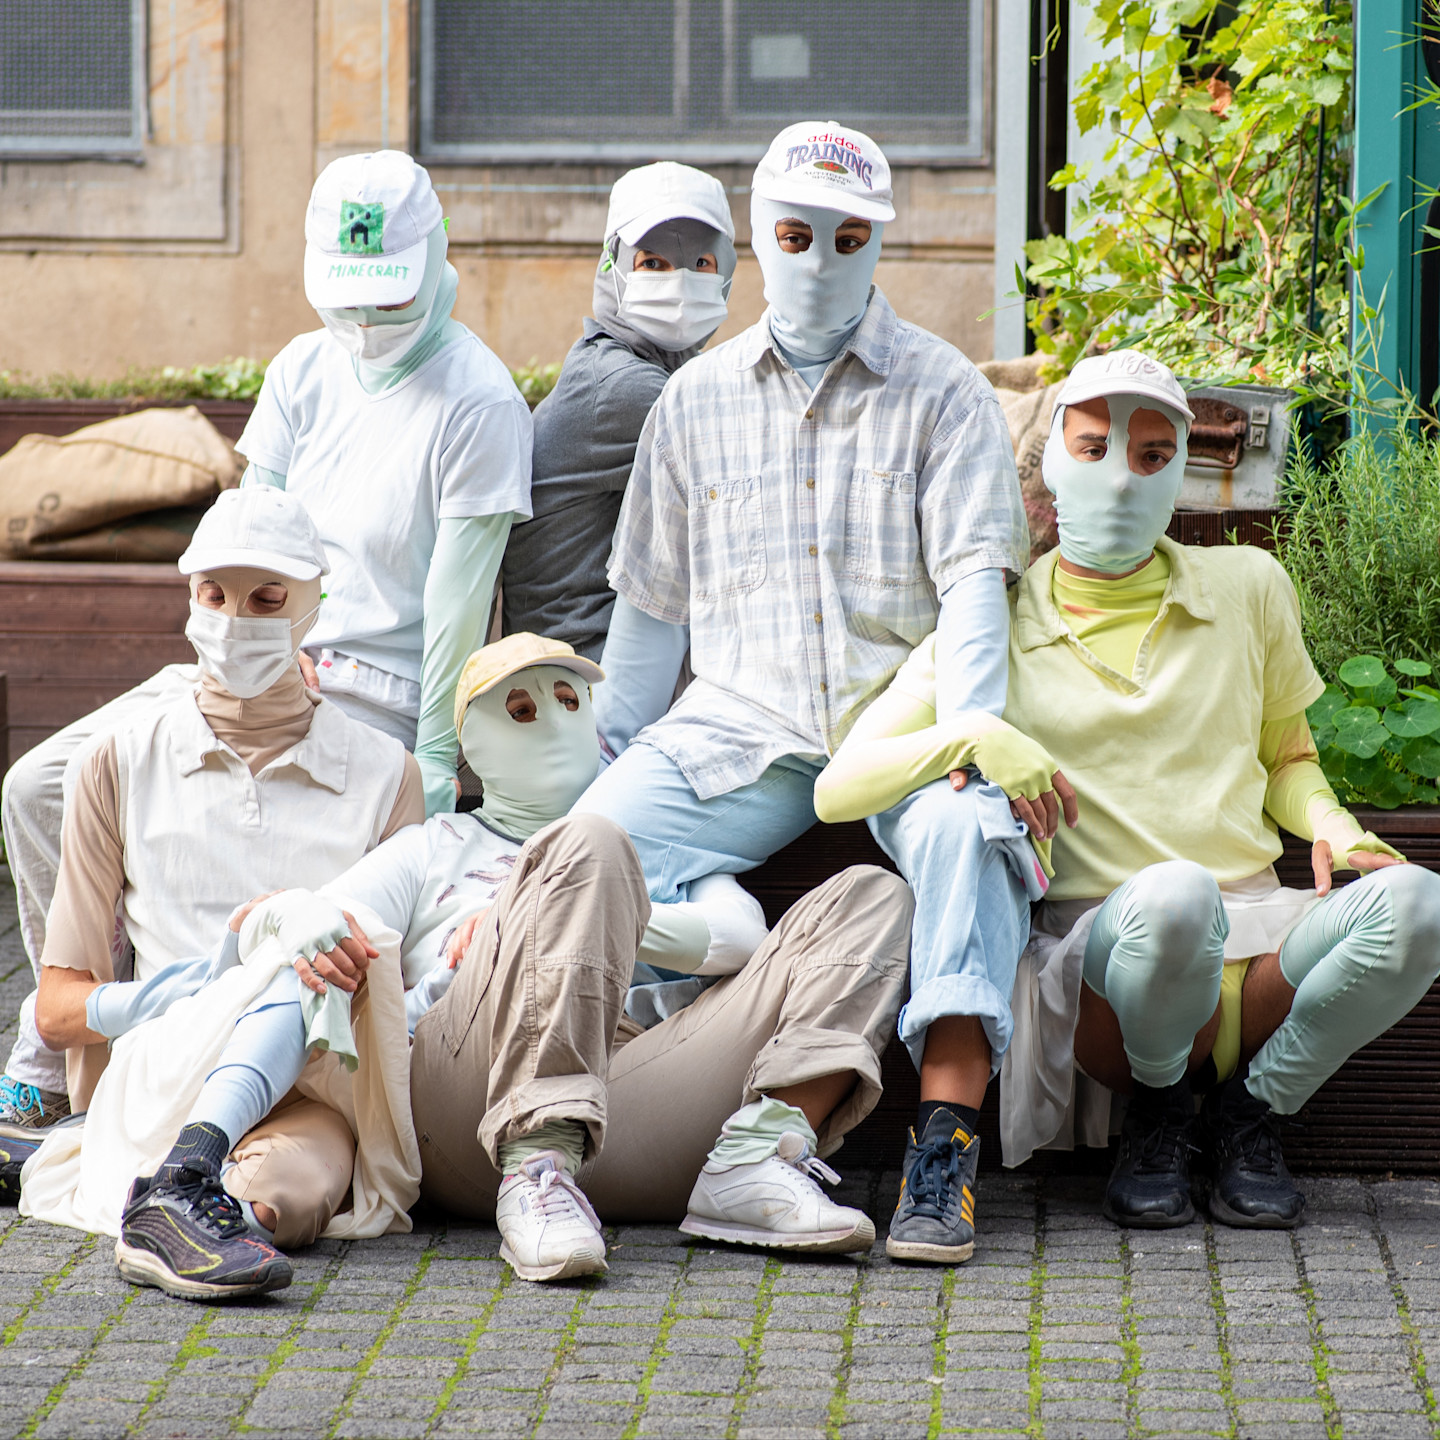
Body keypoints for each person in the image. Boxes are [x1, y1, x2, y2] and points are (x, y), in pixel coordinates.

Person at [816, 349, 1440, 1231]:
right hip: (1115, 967)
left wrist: (1336, 826)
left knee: (1421, 905)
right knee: (1175, 895)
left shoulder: (1249, 586)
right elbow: (838, 791)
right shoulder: (995, 627)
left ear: (1182, 471)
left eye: (1152, 455)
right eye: (1095, 446)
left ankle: (1252, 1112)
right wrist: (973, 732)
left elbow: (1288, 760)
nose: (1120, 476)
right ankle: (1158, 1113)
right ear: (1052, 462)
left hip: (1262, 944)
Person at [573, 120, 1032, 1265]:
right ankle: (592, 1108)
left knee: (971, 837)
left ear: (879, 241)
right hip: (741, 726)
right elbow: (651, 615)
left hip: (902, 728)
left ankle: (943, 1149)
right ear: (758, 237)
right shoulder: (694, 401)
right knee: (590, 850)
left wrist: (971, 735)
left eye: (847, 236)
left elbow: (975, 587)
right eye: (794, 235)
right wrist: (608, 760)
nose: (820, 258)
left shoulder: (946, 391)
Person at [0, 150, 529, 1129]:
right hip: (247, 651)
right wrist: (234, 648)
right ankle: (80, 1028)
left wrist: (434, 761)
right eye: (346, 294)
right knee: (38, 787)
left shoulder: (479, 400)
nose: (363, 319)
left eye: (386, 294)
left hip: (369, 690)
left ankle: (100, 1067)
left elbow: (459, 600)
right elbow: (249, 528)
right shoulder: (302, 369)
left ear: (436, 253)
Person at [187, 633, 909, 1286]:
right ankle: (536, 1163)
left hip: (638, 1097)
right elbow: (324, 926)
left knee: (872, 897)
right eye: (522, 710)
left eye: (569, 701)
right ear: (474, 743)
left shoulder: (649, 840)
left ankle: (754, 1159)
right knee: (588, 841)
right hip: (470, 1104)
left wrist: (584, 907)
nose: (554, 721)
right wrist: (509, 925)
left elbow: (742, 939)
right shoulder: (435, 845)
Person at [8, 487, 422, 1294]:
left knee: (292, 1194)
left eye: (267, 599)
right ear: (189, 598)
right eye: (214, 595)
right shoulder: (117, 760)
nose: (235, 620)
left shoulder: (386, 773)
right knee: (290, 936)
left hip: (313, 1087)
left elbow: (394, 978)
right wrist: (187, 990)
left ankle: (175, 1203)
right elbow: (56, 1009)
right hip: (163, 1067)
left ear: (313, 606)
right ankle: (177, 1176)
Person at [501, 162, 737, 661]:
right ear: (612, 267)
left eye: (701, 263)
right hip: (584, 670)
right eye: (653, 263)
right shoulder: (621, 388)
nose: (679, 281)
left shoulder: (636, 368)